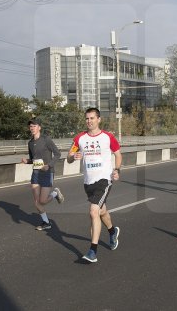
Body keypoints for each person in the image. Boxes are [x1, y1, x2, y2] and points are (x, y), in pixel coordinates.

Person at [67, 108, 122, 264]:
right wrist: (73, 156)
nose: (89, 121)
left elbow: (118, 154)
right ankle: (112, 231)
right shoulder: (79, 138)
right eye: (87, 119)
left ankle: (93, 251)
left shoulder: (108, 137)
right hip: (88, 182)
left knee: (93, 211)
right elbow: (68, 158)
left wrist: (117, 170)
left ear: (99, 119)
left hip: (104, 179)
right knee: (101, 210)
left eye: (92, 118)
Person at [22, 119, 63, 231]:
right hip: (36, 173)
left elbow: (58, 154)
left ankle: (55, 193)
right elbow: (33, 159)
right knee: (37, 203)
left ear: (39, 127)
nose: (32, 128)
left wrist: (48, 165)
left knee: (43, 201)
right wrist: (28, 161)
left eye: (34, 126)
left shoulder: (46, 140)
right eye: (30, 126)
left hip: (47, 172)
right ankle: (46, 222)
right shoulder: (30, 143)